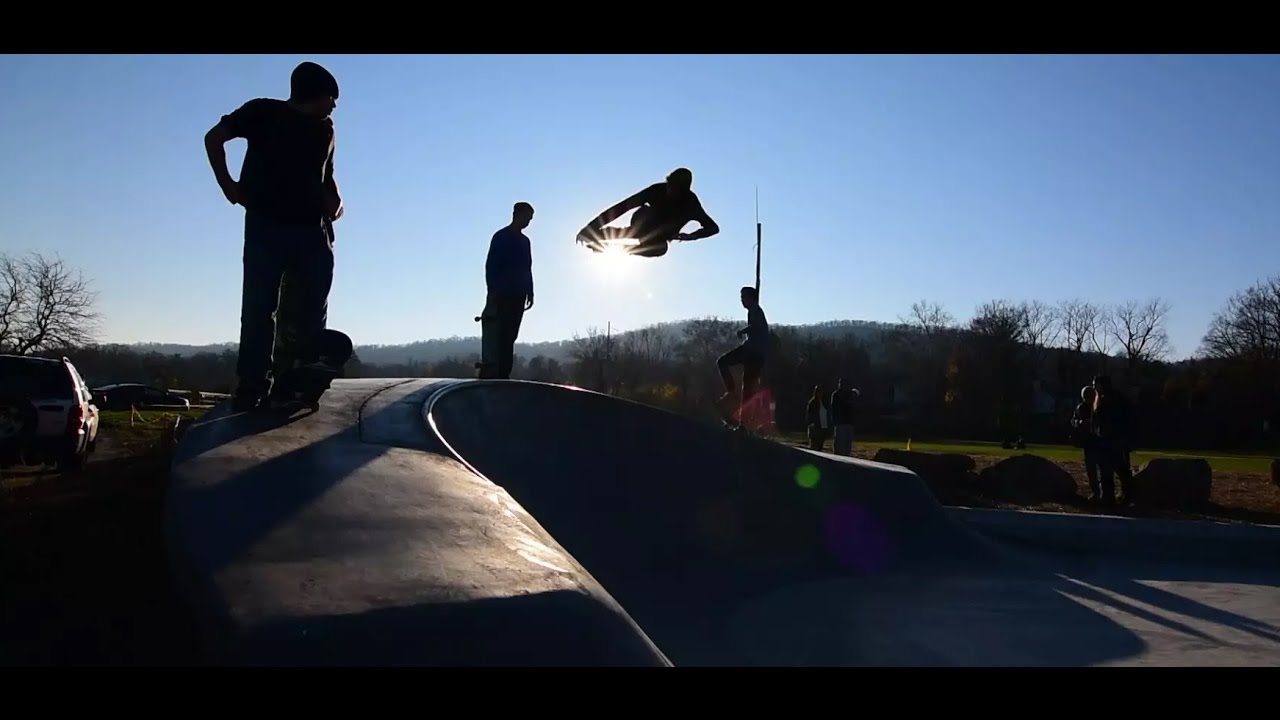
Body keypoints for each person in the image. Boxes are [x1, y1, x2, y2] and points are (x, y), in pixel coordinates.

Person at [204, 60, 343, 411]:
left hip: (313, 230)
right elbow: (214, 138)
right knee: (259, 307)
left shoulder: (325, 129)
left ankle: (295, 378)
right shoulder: (262, 112)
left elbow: (326, 175)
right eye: (331, 98)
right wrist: (228, 186)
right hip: (267, 225)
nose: (334, 106)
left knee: (311, 310)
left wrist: (336, 202)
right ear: (314, 94)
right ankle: (252, 382)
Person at [576, 167, 719, 258]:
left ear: (684, 191)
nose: (671, 193)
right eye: (670, 187)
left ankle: (619, 249)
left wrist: (693, 236)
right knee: (634, 231)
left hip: (661, 236)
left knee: (661, 249)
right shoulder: (657, 190)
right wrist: (590, 227)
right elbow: (622, 207)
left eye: (676, 191)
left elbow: (713, 227)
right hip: (644, 222)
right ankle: (597, 235)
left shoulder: (691, 203)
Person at [481, 202, 535, 379]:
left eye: (530, 219)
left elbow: (528, 267)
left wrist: (530, 291)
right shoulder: (501, 237)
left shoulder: (525, 242)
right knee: (500, 334)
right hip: (502, 294)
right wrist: (493, 291)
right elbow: (491, 266)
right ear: (516, 214)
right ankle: (497, 373)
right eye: (527, 217)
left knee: (511, 334)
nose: (528, 222)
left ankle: (505, 372)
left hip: (519, 294)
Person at [717, 286, 769, 410]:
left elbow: (755, 326)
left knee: (722, 362)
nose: (742, 300)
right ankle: (744, 421)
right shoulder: (754, 310)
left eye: (743, 297)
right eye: (741, 298)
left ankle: (731, 391)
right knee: (747, 387)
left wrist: (742, 331)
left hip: (752, 352)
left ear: (751, 298)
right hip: (757, 354)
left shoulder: (755, 310)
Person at [1091, 374, 1136, 505]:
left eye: (1096, 384)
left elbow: (1123, 420)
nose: (1094, 387)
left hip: (1114, 441)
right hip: (1105, 440)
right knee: (1108, 471)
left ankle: (1123, 497)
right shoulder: (1101, 400)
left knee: (1119, 470)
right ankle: (1109, 498)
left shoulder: (1114, 400)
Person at [1070, 385, 1102, 502]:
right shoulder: (1082, 407)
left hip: (1099, 440)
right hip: (1089, 441)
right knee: (1091, 468)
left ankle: (1102, 491)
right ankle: (1096, 491)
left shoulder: (1098, 406)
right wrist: (1080, 422)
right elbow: (1074, 421)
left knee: (1101, 467)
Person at [829, 379, 859, 455]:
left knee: (846, 444)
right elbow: (834, 409)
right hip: (842, 422)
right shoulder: (837, 395)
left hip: (847, 422)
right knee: (841, 443)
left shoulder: (847, 394)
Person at [806, 384, 829, 451]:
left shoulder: (824, 402)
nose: (819, 394)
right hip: (815, 427)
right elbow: (809, 414)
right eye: (818, 392)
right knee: (814, 446)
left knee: (820, 446)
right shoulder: (812, 402)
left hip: (822, 427)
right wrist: (811, 423)